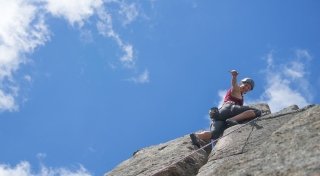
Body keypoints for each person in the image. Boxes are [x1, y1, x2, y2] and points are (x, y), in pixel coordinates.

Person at [190, 70, 262, 148]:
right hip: (230, 109)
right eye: (246, 85)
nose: (247, 88)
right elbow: (234, 84)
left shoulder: (238, 93)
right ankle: (233, 119)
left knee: (214, 134)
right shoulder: (237, 90)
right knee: (257, 111)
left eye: (249, 88)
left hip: (220, 115)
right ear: (242, 83)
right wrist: (234, 77)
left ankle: (196, 136)